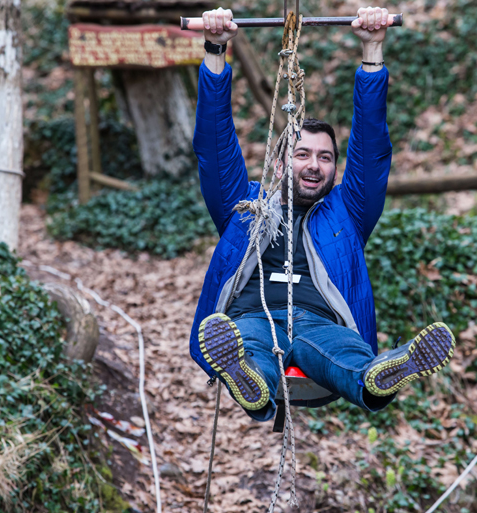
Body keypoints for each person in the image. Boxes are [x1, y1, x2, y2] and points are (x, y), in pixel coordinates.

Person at [190, 6, 455, 422]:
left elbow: (372, 149)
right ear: (280, 163)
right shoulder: (243, 205)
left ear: (335, 168)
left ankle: (381, 373)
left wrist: (372, 51)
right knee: (249, 345)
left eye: (326, 157)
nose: (314, 164)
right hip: (254, 317)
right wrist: (215, 50)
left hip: (319, 322)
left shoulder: (347, 213)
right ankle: (249, 380)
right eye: (302, 154)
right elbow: (214, 146)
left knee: (343, 353)